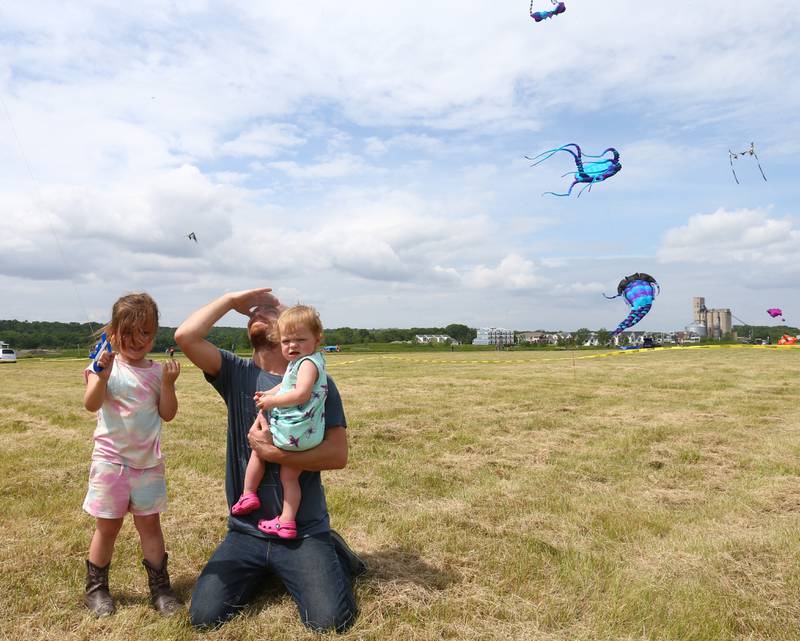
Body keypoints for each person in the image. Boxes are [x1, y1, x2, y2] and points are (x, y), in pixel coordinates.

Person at [174, 288, 365, 632]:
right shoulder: (235, 372)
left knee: (330, 623)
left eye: (267, 309)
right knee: (204, 617)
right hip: (245, 531)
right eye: (251, 313)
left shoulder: (319, 384)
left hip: (303, 531)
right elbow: (186, 336)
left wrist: (275, 453)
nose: (255, 313)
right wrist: (232, 300)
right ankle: (266, 568)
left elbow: (338, 455)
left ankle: (329, 549)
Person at [82, 292, 182, 618]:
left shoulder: (156, 373)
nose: (138, 340)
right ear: (113, 333)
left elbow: (168, 414)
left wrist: (168, 384)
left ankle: (161, 589)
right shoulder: (104, 366)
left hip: (148, 465)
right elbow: (91, 403)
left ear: (155, 333)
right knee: (107, 528)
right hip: (111, 463)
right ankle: (96, 590)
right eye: (129, 333)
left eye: (146, 333)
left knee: (150, 525)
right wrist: (102, 375)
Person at [231, 305, 328, 541]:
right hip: (307, 437)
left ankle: (248, 494)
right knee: (289, 478)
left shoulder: (306, 364)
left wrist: (271, 402)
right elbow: (287, 386)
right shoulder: (305, 362)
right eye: (286, 341)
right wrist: (268, 393)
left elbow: (300, 394)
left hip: (292, 433)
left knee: (258, 449)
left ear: (317, 338)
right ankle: (286, 521)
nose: (292, 346)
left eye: (300, 339)